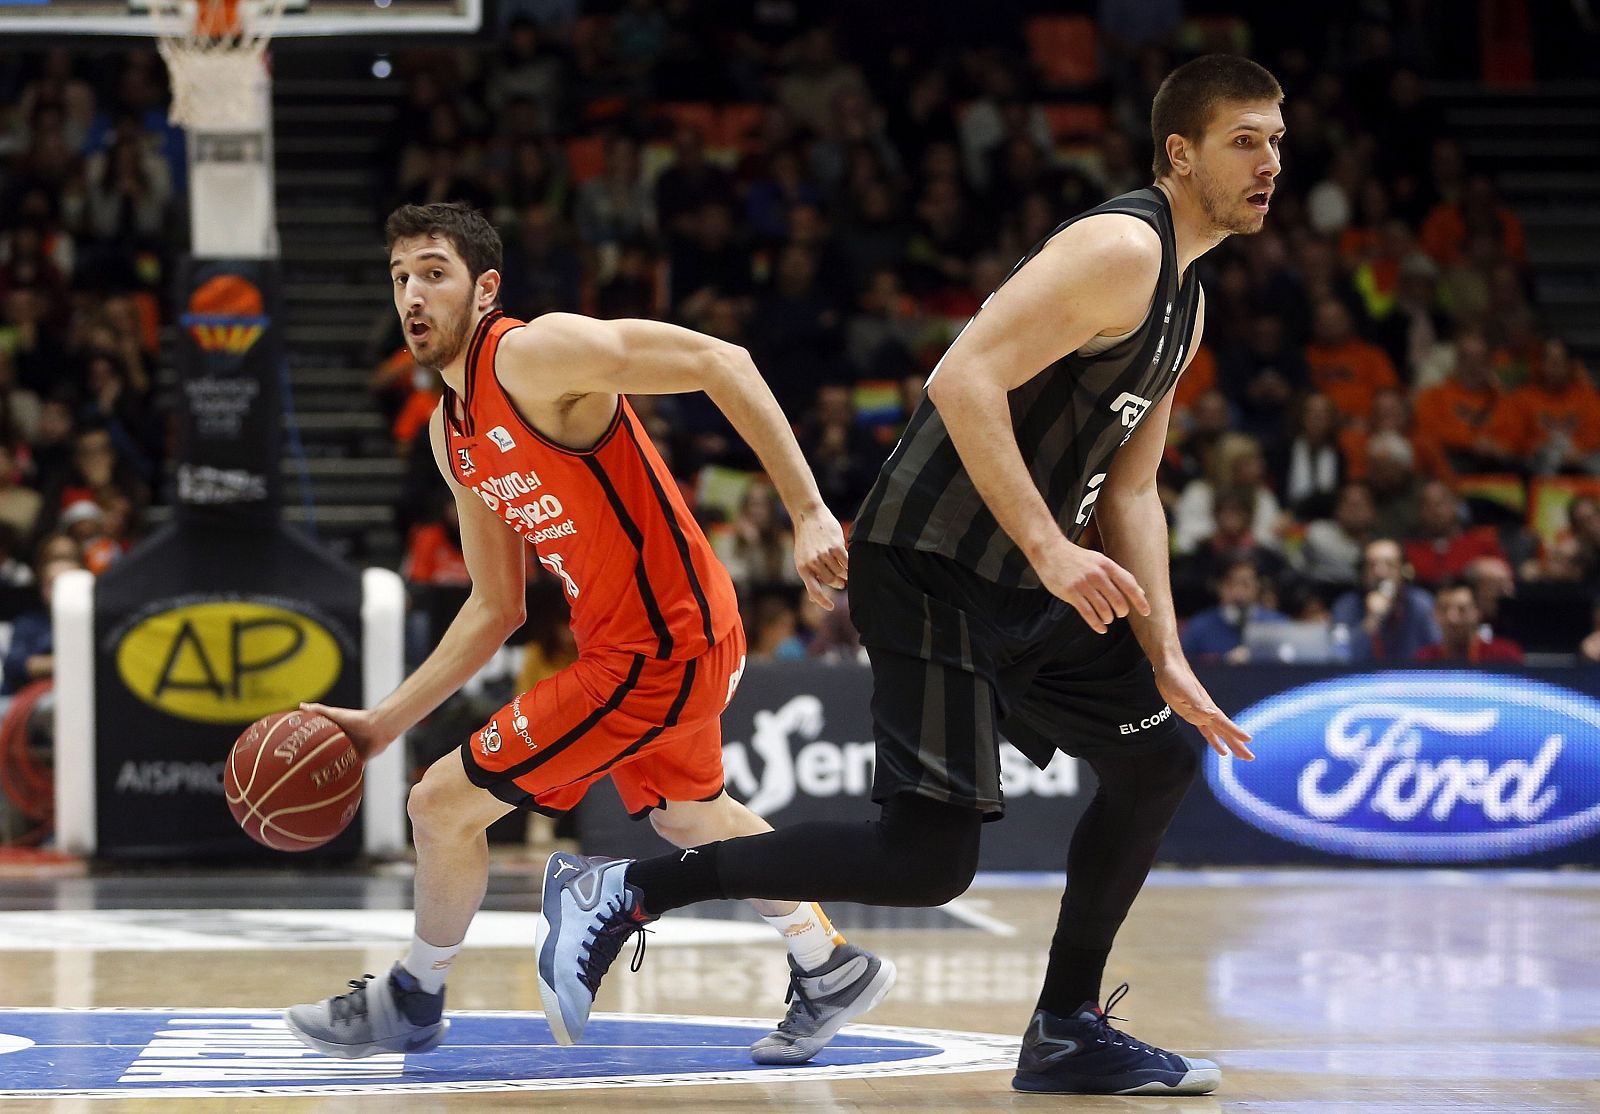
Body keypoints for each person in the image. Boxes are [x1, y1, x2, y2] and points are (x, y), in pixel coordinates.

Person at [535, 54, 1277, 1097]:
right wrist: (1052, 548)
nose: (1269, 162)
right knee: (927, 861)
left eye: (1277, 141)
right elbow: (959, 375)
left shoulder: (1186, 302)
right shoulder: (1119, 247)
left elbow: (1135, 489)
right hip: (932, 561)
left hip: (1033, 580)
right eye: (1245, 139)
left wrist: (1164, 654)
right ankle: (623, 888)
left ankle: (1064, 1027)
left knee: (1155, 764)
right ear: (1178, 152)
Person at [284, 202, 893, 1065]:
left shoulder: (534, 355)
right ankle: (827, 963)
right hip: (644, 644)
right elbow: (496, 607)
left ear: (484, 288)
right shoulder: (450, 436)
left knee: (440, 805)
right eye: (399, 279)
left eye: (433, 272)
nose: (412, 295)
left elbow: (723, 360)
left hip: (663, 643)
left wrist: (807, 511)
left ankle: (414, 995)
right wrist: (383, 722)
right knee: (689, 817)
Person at [1330, 537, 1441, 663]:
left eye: (1390, 565)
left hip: (1413, 678)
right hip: (1362, 680)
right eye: (1372, 565)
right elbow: (1340, 657)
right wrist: (1372, 620)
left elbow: (1439, 652)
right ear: (1362, 572)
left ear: (1403, 570)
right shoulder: (1345, 606)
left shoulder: (1422, 603)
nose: (1380, 573)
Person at [1413, 577, 1523, 664]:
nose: (1452, 619)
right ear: (1434, 614)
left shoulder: (1505, 656)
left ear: (1478, 611)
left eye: (1462, 610)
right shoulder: (1423, 660)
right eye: (1444, 609)